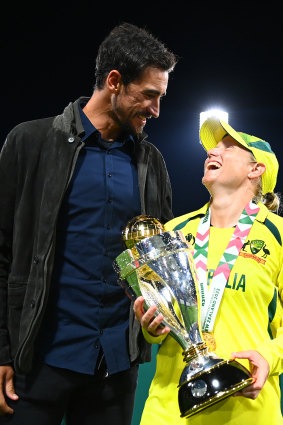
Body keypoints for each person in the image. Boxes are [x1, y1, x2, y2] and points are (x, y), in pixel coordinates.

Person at [0, 22, 177, 425]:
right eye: (149, 95)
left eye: (161, 97)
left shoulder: (152, 165)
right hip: (36, 364)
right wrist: (1, 353)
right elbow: (2, 251)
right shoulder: (30, 142)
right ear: (114, 81)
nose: (156, 110)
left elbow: (161, 263)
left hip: (114, 369)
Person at [134, 117, 283, 425]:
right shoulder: (174, 231)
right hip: (169, 412)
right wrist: (151, 326)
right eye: (212, 148)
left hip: (247, 412)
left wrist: (269, 357)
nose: (213, 152)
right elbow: (158, 319)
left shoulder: (278, 235)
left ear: (256, 169)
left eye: (228, 147)